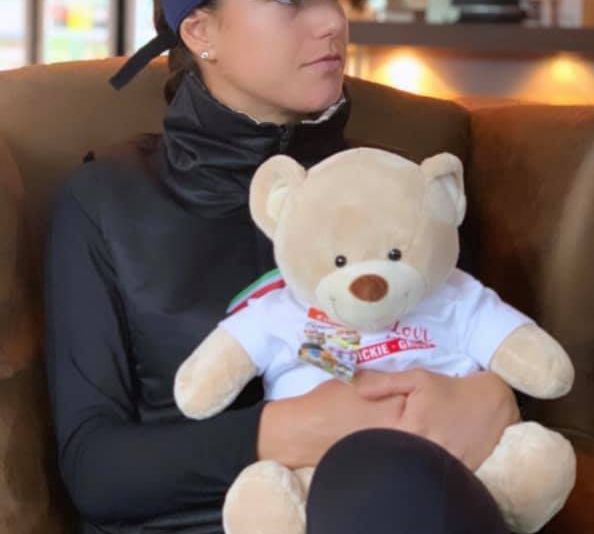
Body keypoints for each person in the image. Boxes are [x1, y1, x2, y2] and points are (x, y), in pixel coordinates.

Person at [44, 1, 519, 532]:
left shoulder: (397, 186)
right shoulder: (106, 202)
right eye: (290, 2)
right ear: (200, 31)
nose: (332, 21)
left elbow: (483, 335)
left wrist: (494, 398)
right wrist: (284, 431)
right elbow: (94, 469)